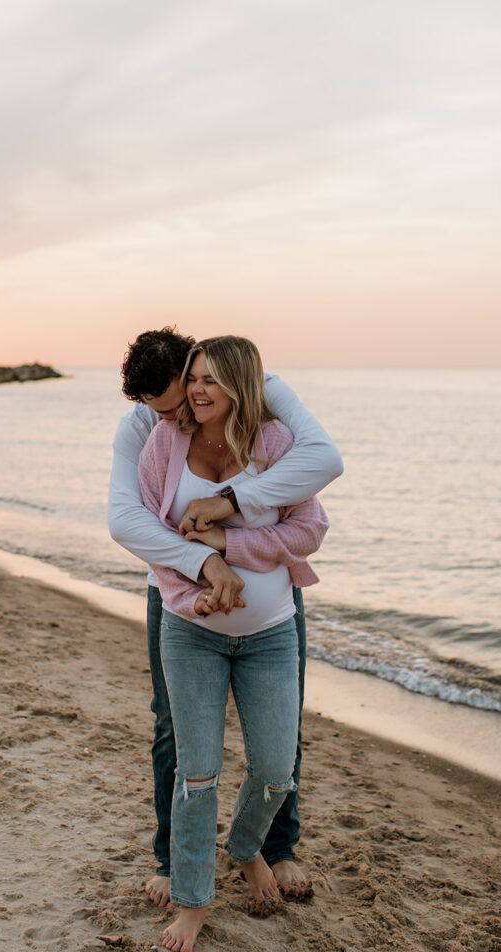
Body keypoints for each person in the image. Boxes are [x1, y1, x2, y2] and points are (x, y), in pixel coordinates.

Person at [108, 327, 343, 908]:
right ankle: (171, 856)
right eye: (164, 404)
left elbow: (321, 468)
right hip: (182, 595)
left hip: (267, 610)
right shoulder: (149, 430)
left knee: (280, 737)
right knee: (175, 732)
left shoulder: (268, 406)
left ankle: (275, 846)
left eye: (189, 390)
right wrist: (204, 568)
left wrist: (233, 513)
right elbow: (129, 522)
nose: (180, 408)